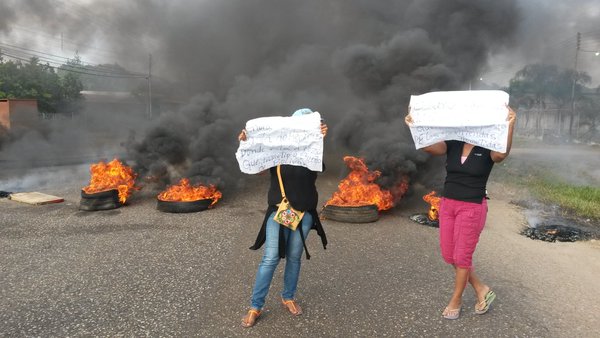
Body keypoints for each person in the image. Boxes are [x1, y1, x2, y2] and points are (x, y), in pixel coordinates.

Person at [405, 105, 516, 320]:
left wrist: (510, 126)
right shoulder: (454, 143)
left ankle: (455, 300)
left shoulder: (488, 145)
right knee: (449, 255)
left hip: (472, 207)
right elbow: (428, 147)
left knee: (462, 257)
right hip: (448, 204)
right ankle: (482, 289)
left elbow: (501, 155)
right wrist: (414, 126)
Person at [238, 108, 328, 328]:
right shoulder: (276, 152)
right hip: (279, 211)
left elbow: (317, 166)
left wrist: (319, 138)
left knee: (295, 257)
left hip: (304, 213)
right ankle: (255, 306)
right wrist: (248, 142)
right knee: (270, 257)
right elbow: (257, 168)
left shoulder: (312, 153)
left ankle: (288, 296)